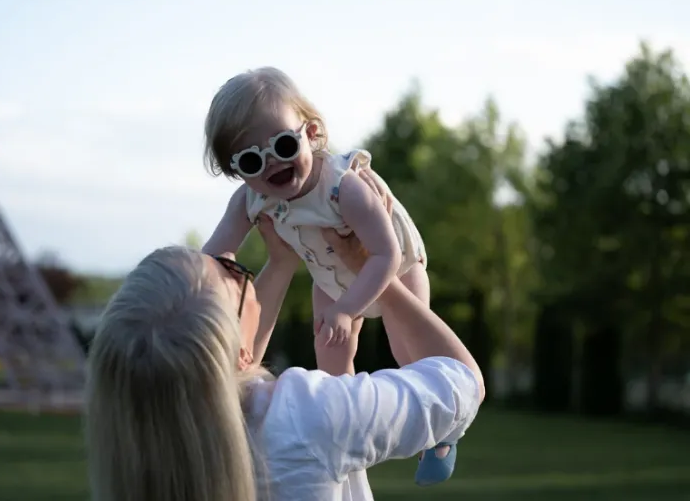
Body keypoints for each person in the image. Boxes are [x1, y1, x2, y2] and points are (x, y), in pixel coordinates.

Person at [84, 169, 485, 501]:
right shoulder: (305, 414)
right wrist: (375, 273)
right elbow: (461, 383)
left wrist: (280, 262)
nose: (232, 260)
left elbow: (229, 369)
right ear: (240, 354)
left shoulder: (153, 445)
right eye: (235, 274)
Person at [201, 66, 451, 485]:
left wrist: (348, 308)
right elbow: (215, 253)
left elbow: (386, 253)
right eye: (251, 160)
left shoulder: (341, 186)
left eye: (283, 144)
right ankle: (348, 427)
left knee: (410, 353)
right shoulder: (253, 198)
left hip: (396, 270)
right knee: (331, 359)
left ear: (311, 132)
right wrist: (197, 284)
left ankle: (442, 434)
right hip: (330, 278)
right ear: (237, 171)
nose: (272, 164)